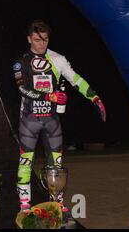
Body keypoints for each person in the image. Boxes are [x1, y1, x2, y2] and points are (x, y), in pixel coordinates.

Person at [13, 20, 106, 213]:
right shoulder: (20, 61)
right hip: (29, 120)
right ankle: (24, 206)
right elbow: (22, 89)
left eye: (45, 40)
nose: (42, 44)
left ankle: (57, 202)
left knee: (56, 164)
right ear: (29, 38)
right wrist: (48, 95)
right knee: (25, 162)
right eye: (37, 40)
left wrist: (95, 97)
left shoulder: (58, 59)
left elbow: (76, 79)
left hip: (51, 120)